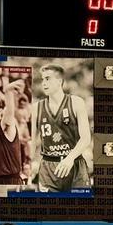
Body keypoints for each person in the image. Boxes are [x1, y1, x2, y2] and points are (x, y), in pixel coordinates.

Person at [30, 64, 91, 192]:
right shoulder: (36, 108)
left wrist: (69, 159)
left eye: (48, 78)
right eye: (42, 79)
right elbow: (32, 142)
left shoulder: (76, 102)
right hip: (48, 169)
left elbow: (86, 138)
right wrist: (27, 164)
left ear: (59, 81)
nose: (44, 83)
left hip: (75, 164)